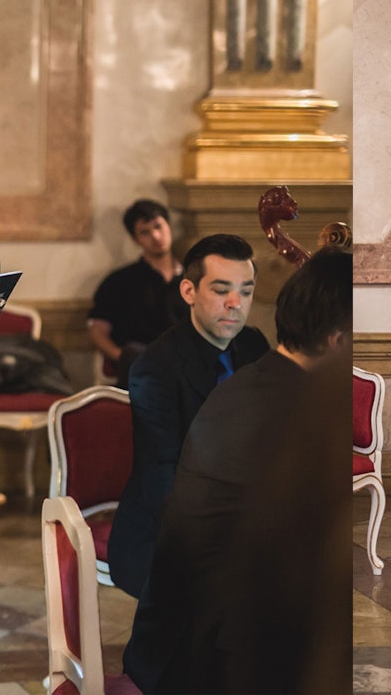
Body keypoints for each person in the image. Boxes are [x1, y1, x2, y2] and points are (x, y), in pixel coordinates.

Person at [122, 248, 352, 694]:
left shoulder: (254, 377)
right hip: (209, 659)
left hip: (187, 631)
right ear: (339, 342)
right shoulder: (299, 410)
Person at [107, 234, 269, 598]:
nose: (235, 304)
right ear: (189, 292)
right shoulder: (154, 366)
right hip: (167, 530)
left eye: (246, 291)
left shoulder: (254, 345)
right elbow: (162, 475)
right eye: (221, 289)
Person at [87, 199, 187, 389]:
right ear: (135, 239)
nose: (156, 236)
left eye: (158, 226)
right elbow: (97, 330)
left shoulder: (192, 280)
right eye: (145, 232)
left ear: (169, 227)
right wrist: (120, 355)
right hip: (140, 360)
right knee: (134, 353)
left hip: (183, 360)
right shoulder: (119, 282)